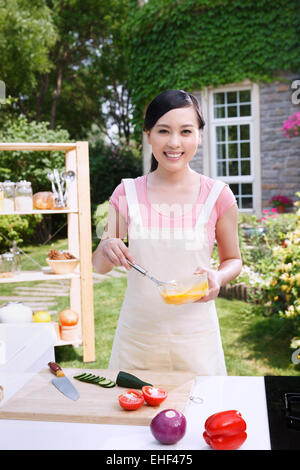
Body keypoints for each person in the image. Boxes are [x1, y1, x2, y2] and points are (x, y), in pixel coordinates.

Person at [92, 89, 242, 375]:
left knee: (202, 417)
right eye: (163, 131)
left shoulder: (219, 196)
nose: (174, 142)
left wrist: (218, 276)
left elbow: (233, 259)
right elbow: (99, 266)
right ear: (148, 135)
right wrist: (106, 247)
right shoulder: (127, 193)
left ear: (199, 135)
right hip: (138, 341)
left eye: (186, 131)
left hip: (197, 341)